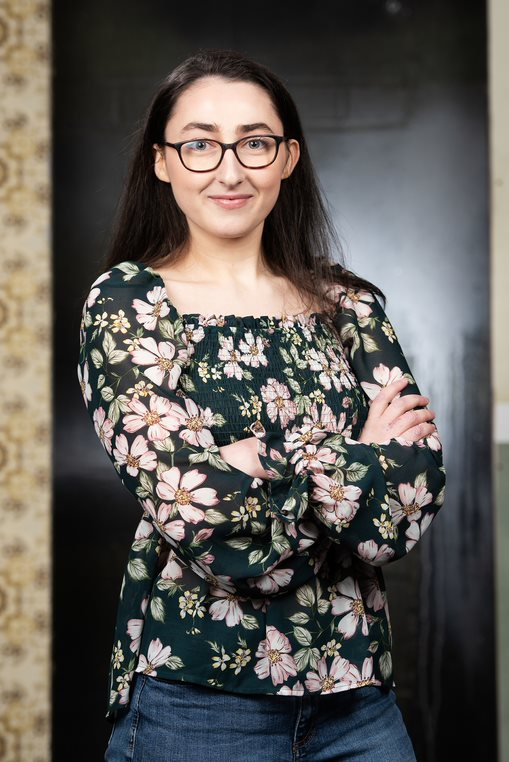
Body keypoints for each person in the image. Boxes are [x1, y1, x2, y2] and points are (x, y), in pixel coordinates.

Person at [77, 48, 446, 762]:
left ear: (286, 157)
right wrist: (352, 460)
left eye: (253, 142)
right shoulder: (128, 303)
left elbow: (405, 509)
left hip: (357, 694)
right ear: (161, 162)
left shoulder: (349, 304)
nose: (228, 168)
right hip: (198, 697)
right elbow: (212, 531)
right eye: (198, 144)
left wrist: (254, 463)